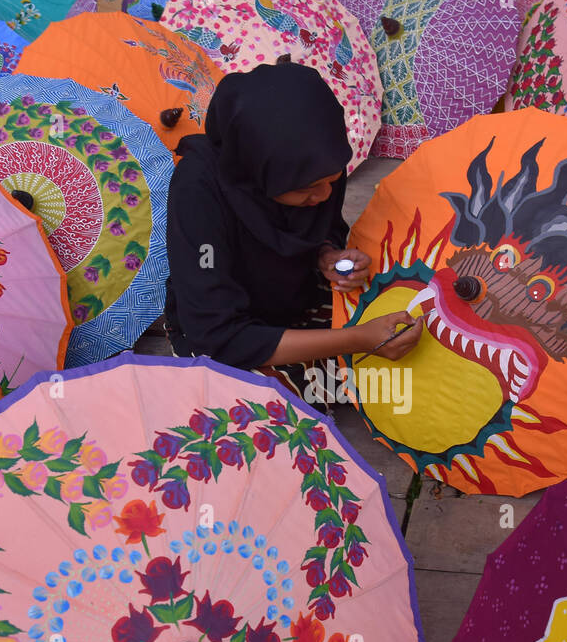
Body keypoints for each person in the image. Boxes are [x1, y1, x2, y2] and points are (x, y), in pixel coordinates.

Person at [144, 61, 422, 402]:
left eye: (332, 180)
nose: (323, 196)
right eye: (308, 187)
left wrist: (326, 254)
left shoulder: (312, 162)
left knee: (402, 312)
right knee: (264, 402)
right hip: (222, 331)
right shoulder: (199, 191)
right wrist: (359, 339)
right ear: (259, 170)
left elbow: (326, 228)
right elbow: (216, 335)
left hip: (296, 298)